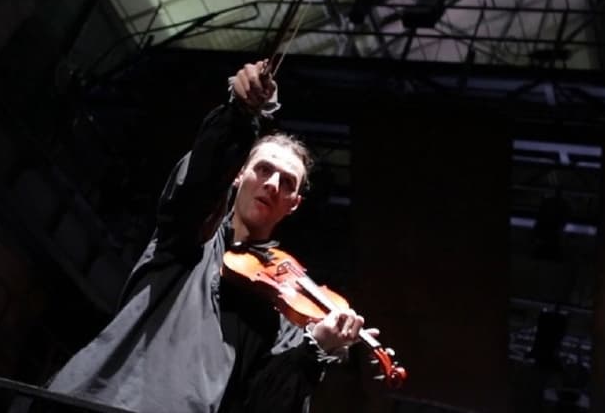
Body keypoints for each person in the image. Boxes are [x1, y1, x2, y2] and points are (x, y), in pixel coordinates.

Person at [43, 61, 375, 413]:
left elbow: (264, 406)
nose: (272, 184)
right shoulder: (191, 238)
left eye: (287, 182)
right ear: (239, 174)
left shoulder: (284, 314)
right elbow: (198, 184)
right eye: (264, 169)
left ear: (293, 204)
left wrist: (314, 352)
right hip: (95, 402)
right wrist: (240, 115)